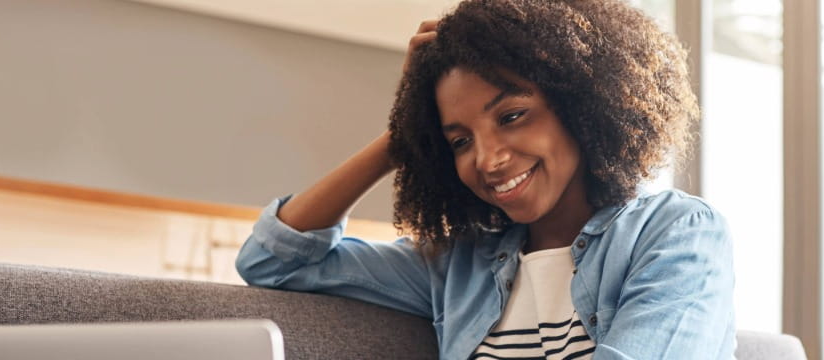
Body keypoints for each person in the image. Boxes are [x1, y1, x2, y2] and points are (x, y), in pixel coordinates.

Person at [235, 0, 736, 358]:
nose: (488, 159)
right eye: (458, 141)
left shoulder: (675, 232)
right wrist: (403, 135)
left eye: (513, 116)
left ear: (581, 105)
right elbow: (271, 262)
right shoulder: (460, 266)